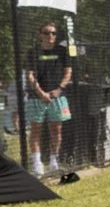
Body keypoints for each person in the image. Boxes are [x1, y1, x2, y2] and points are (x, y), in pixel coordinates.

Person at [22, 18, 75, 176]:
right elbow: (29, 74)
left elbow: (68, 72)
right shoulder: (33, 52)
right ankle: (37, 164)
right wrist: (40, 92)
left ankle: (54, 161)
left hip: (57, 97)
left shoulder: (61, 51)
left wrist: (59, 89)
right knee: (36, 130)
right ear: (40, 35)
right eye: (46, 33)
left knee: (56, 130)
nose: (50, 36)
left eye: (53, 33)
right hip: (36, 97)